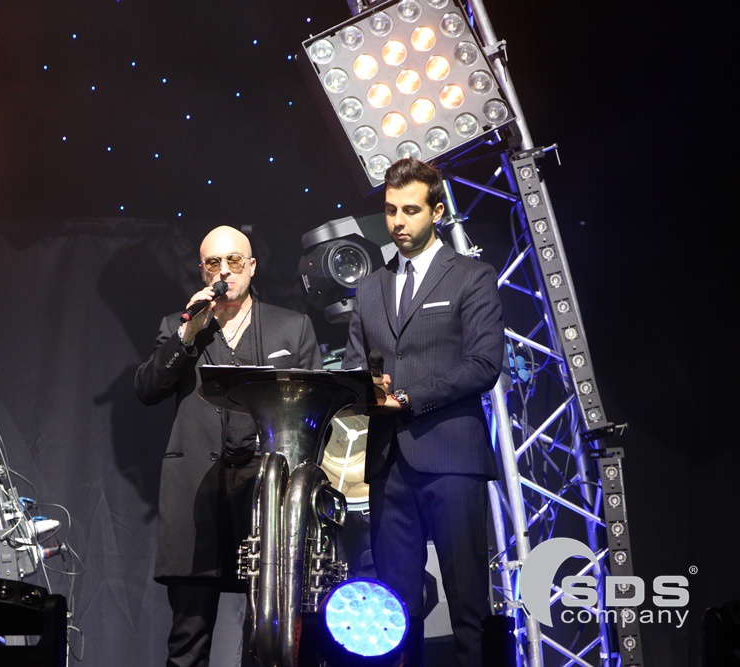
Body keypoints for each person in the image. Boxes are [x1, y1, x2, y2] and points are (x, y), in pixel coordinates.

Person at [342, 158, 504, 667]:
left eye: (410, 210)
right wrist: (366, 388)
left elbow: (484, 364)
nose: (398, 221)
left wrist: (409, 397)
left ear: (436, 211)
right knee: (394, 613)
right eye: (391, 210)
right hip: (388, 465)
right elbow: (352, 367)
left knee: (469, 607)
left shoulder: (472, 276)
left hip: (452, 457)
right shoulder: (370, 288)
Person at [135, 225, 322, 667]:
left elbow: (317, 412)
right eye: (213, 263)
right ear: (202, 271)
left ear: (251, 266)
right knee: (188, 637)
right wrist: (187, 335)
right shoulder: (179, 326)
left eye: (234, 261)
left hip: (266, 496)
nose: (224, 271)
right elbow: (147, 388)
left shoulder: (291, 327)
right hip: (198, 493)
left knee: (266, 633)